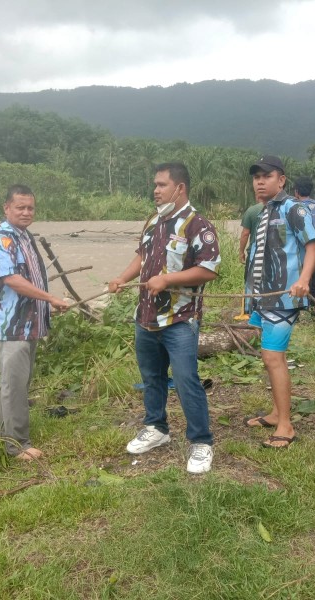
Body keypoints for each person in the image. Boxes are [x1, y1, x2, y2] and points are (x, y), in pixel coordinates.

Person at [108, 162, 221, 474]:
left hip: (179, 319)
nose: (155, 191)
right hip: (145, 317)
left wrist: (168, 280)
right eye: (155, 185)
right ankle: (156, 428)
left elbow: (209, 269)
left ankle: (201, 442)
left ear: (179, 188)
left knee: (186, 381)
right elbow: (142, 257)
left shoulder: (199, 226)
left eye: (161, 185)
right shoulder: (154, 222)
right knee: (152, 378)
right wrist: (121, 278)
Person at [0, 185, 69, 461]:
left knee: (15, 382)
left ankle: (7, 436)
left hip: (27, 323)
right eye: (20, 207)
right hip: (11, 326)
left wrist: (44, 306)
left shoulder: (24, 237)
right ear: (6, 208)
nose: (26, 212)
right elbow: (12, 280)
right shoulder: (1, 239)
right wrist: (50, 298)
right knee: (14, 384)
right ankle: (17, 445)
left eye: (30, 207)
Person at [242, 156, 315, 448]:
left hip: (284, 299)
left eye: (266, 176)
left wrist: (303, 280)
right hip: (263, 299)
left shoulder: (292, 208)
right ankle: (276, 413)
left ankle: (286, 425)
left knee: (274, 358)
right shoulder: (264, 211)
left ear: (281, 180)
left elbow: (313, 245)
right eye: (256, 177)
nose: (259, 182)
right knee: (269, 357)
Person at [292, 176, 315, 302]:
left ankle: (300, 303)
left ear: (297, 191)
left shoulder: (297, 207)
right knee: (314, 276)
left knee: (301, 276)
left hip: (301, 249)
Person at [236, 197, 266, 319]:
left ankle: (250, 310)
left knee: (250, 280)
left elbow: (245, 234)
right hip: (273, 254)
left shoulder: (251, 211)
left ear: (257, 196)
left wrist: (241, 251)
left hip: (255, 253)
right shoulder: (278, 208)